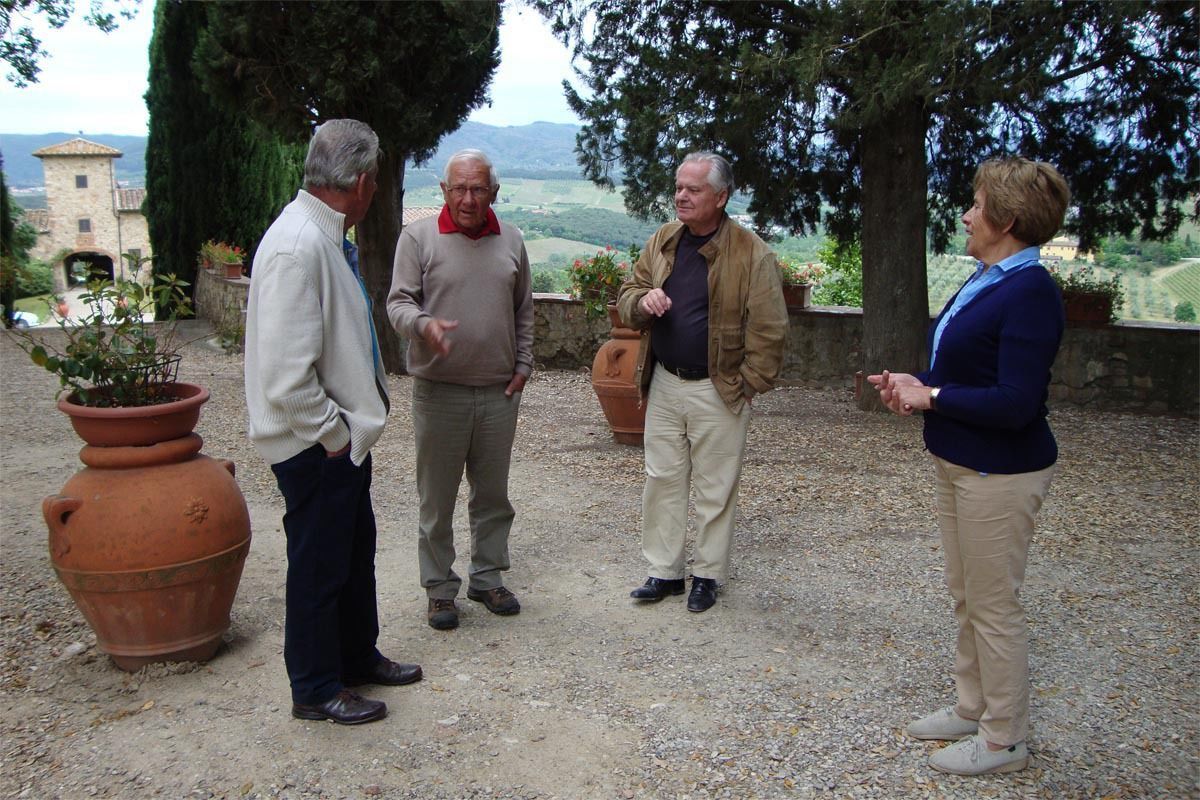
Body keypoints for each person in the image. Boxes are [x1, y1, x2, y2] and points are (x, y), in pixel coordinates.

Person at [867, 157, 1071, 775]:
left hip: (999, 472)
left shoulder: (1031, 292)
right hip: (961, 462)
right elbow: (964, 372)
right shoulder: (988, 279)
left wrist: (933, 397)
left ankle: (1004, 739)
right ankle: (972, 705)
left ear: (1005, 220)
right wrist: (917, 384)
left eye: (976, 205)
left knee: (993, 604)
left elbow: (1015, 402)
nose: (965, 215)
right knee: (968, 595)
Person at [245, 119, 421, 726]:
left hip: (335, 441)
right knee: (319, 567)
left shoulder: (318, 236)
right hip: (314, 444)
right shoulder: (297, 247)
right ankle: (316, 687)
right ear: (364, 182)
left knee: (351, 552)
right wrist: (335, 436)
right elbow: (286, 378)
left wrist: (346, 436)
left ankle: (355, 657)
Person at [618, 151, 788, 613]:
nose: (681, 196)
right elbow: (629, 292)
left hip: (720, 388)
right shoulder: (664, 240)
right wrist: (642, 301)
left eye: (693, 189)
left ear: (721, 196)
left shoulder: (752, 253)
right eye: (679, 187)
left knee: (716, 487)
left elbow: (771, 330)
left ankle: (708, 576)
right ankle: (665, 572)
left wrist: (748, 383)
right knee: (663, 479)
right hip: (664, 381)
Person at [387, 148, 534, 631]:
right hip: (439, 392)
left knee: (493, 496)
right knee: (437, 499)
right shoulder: (418, 238)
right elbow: (397, 304)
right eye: (459, 189)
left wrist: (523, 364)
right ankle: (439, 588)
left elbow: (523, 310)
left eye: (478, 189)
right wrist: (423, 325)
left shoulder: (512, 240)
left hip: (498, 393)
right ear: (444, 191)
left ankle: (487, 578)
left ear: (494, 192)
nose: (469, 199)